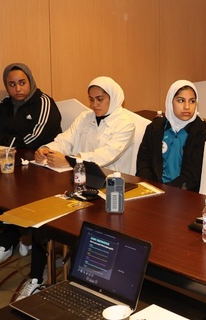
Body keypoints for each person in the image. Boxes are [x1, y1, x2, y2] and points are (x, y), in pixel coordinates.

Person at [23, 77, 137, 299]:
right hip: (79, 183)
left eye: (100, 99)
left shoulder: (126, 123)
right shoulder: (86, 117)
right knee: (41, 215)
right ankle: (38, 277)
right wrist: (47, 148)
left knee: (72, 225)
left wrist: (71, 160)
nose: (94, 105)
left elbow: (105, 156)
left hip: (109, 190)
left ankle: (81, 282)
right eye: (92, 99)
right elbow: (65, 139)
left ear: (112, 98)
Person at [0, 63, 62, 273]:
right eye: (12, 84)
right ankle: (9, 230)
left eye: (22, 83)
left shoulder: (43, 103)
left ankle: (7, 238)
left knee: (13, 195)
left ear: (30, 81)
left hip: (40, 168)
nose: (18, 89)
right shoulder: (4, 106)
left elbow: (34, 140)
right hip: (9, 164)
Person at [136, 80, 206, 191]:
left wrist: (167, 191)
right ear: (170, 102)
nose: (187, 106)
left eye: (192, 101)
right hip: (153, 191)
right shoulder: (155, 128)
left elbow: (194, 176)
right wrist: (151, 188)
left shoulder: (203, 134)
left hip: (185, 194)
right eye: (181, 101)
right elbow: (143, 163)